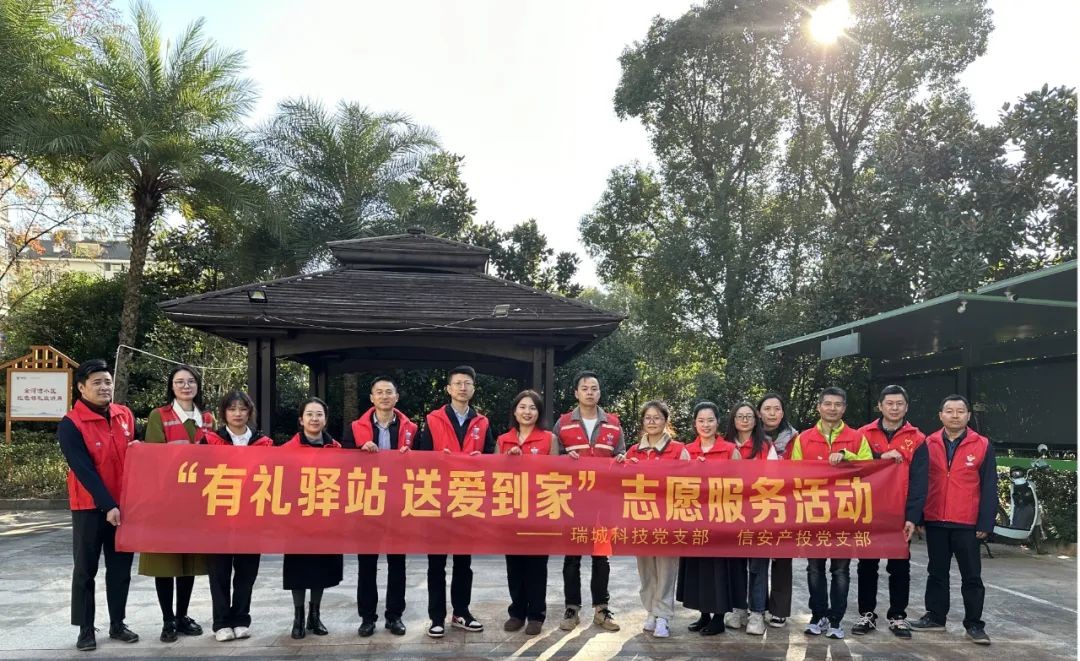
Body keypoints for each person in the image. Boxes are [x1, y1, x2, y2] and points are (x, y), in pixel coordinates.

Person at [57, 359, 140, 652]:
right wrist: (107, 505)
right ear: (81, 388)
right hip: (89, 507)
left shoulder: (124, 415)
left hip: (124, 506)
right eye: (97, 383)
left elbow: (137, 456)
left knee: (120, 570)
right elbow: (83, 469)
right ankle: (85, 628)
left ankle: (118, 624)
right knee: (85, 570)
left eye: (107, 382)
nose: (104, 387)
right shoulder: (71, 424)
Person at [414, 365, 496, 638]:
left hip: (467, 500)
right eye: (458, 383)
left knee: (463, 562)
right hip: (437, 500)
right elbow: (422, 459)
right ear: (448, 389)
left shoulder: (482, 422)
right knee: (436, 563)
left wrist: (482, 462)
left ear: (473, 389)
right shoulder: (433, 419)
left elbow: (492, 460)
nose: (463, 387)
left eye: (467, 383)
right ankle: (436, 617)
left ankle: (461, 612)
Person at [908, 394, 996, 646]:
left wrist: (985, 523)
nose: (954, 415)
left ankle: (974, 624)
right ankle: (936, 618)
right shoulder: (928, 443)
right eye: (949, 411)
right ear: (940, 415)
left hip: (967, 523)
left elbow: (989, 486)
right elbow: (920, 482)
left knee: (972, 576)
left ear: (968, 416)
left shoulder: (982, 444)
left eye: (960, 411)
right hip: (936, 519)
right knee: (936, 573)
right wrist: (919, 516)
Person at [787, 386, 873, 640]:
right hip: (814, 513)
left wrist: (847, 456)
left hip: (845, 513)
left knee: (840, 570)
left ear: (844, 408)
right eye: (828, 404)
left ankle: (836, 619)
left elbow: (870, 469)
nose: (832, 408)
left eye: (837, 404)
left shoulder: (856, 438)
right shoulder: (804, 439)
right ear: (819, 407)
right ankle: (818, 615)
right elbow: (794, 474)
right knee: (814, 568)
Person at [139, 364, 212, 642]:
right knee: (165, 561)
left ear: (197, 386)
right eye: (180, 381)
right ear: (171, 386)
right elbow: (153, 456)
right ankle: (167, 619)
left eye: (190, 381)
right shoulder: (159, 415)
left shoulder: (207, 417)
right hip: (165, 500)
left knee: (188, 561)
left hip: (196, 501)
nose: (185, 386)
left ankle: (182, 616)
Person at [852, 384, 928, 639]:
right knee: (867, 565)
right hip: (869, 511)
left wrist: (912, 517)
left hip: (899, 513)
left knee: (900, 566)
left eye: (899, 404)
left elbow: (919, 482)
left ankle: (897, 616)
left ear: (906, 407)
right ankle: (866, 614)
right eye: (889, 403)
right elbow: (854, 466)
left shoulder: (918, 439)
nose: (894, 408)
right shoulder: (863, 434)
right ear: (880, 406)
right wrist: (880, 455)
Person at [553, 370, 626, 633]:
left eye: (594, 388)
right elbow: (552, 460)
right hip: (573, 502)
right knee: (572, 557)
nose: (590, 392)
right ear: (576, 393)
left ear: (599, 392)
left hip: (604, 502)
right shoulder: (563, 423)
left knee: (601, 557)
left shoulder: (613, 424)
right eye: (584, 388)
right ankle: (572, 608)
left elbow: (621, 455)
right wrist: (564, 458)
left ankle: (601, 609)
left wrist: (621, 459)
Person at [343, 376, 416, 638]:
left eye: (389, 392)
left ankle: (394, 616)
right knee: (367, 563)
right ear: (372, 398)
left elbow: (423, 465)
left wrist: (411, 458)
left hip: (397, 504)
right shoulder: (355, 429)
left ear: (397, 397)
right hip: (368, 503)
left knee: (397, 563)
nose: (384, 396)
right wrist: (360, 451)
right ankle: (367, 618)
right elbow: (342, 463)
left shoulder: (411, 430)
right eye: (379, 392)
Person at [200, 391, 273, 642]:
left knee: (246, 572)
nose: (238, 413)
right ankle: (221, 622)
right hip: (218, 517)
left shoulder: (264, 443)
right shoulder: (209, 441)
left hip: (251, 518)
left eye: (242, 409)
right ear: (224, 413)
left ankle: (241, 618)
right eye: (232, 409)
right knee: (219, 572)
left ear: (249, 412)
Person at [281, 397, 344, 639]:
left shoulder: (337, 449)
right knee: (298, 569)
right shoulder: (287, 450)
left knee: (321, 569)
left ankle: (314, 616)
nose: (314, 419)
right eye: (309, 414)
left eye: (319, 414)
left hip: (326, 519)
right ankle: (297, 617)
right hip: (297, 521)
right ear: (301, 419)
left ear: (325, 420)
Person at [628, 400, 690, 638]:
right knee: (646, 569)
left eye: (657, 417)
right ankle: (651, 611)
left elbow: (690, 483)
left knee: (666, 568)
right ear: (643, 422)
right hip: (640, 519)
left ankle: (663, 615)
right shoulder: (633, 452)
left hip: (668, 519)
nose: (652, 422)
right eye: (648, 418)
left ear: (666, 421)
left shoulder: (679, 450)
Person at [677, 401, 739, 636]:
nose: (706, 425)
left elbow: (741, 484)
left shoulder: (730, 450)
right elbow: (677, 483)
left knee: (719, 568)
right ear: (695, 423)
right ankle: (703, 614)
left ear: (718, 422)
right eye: (701, 421)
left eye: (710, 420)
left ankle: (719, 618)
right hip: (694, 519)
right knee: (698, 568)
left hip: (721, 519)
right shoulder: (686, 451)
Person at [497, 390, 556, 636]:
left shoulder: (549, 439)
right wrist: (507, 460)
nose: (527, 412)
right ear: (514, 411)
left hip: (540, 510)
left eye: (532, 408)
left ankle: (536, 615)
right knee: (514, 565)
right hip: (511, 511)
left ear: (538, 413)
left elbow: (556, 473)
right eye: (522, 407)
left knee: (536, 566)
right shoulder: (503, 440)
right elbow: (492, 475)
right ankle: (517, 612)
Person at [723, 402, 777, 636]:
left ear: (756, 421)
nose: (744, 420)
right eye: (740, 416)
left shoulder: (766, 446)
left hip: (759, 513)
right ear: (733, 420)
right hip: (731, 514)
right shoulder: (724, 445)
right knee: (735, 565)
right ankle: (738, 609)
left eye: (749, 416)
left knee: (758, 566)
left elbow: (776, 479)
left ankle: (757, 613)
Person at [757, 392, 797, 628]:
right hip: (755, 504)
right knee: (756, 557)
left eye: (777, 409)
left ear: (783, 412)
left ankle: (779, 610)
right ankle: (756, 606)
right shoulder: (750, 436)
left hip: (786, 504)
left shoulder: (795, 439)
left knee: (782, 558)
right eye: (767, 409)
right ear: (759, 412)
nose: (772, 413)